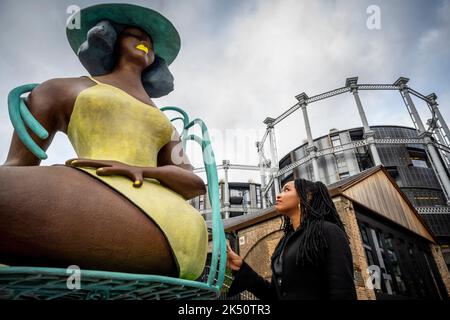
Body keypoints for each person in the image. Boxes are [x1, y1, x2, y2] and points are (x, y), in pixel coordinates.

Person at [0, 3, 208, 280]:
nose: (144, 41)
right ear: (110, 36)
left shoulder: (164, 123)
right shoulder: (61, 89)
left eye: (149, 40)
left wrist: (141, 170)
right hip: (89, 198)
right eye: (134, 34)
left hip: (171, 225)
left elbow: (193, 183)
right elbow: (17, 167)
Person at [226, 178, 357, 299]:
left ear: (307, 196)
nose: (278, 195)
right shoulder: (284, 243)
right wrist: (241, 267)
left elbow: (343, 291)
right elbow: (274, 295)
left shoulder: (328, 231)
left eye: (287, 190)